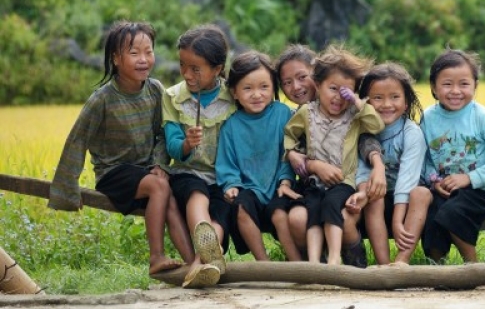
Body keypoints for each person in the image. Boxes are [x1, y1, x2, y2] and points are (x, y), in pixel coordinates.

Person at [48, 21, 193, 276]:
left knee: (166, 192)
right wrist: (66, 190)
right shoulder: (102, 99)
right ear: (115, 58)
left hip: (146, 171)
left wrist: (159, 164)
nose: (143, 59)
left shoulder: (155, 90)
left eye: (148, 52)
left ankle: (195, 265)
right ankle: (156, 258)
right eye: (134, 53)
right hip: (113, 174)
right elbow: (77, 140)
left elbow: (162, 133)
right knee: (160, 186)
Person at [283, 44, 384, 266]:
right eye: (333, 89)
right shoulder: (306, 113)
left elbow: (376, 125)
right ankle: (313, 262)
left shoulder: (353, 115)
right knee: (313, 210)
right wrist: (291, 153)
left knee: (330, 205)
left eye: (345, 92)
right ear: (317, 86)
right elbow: (289, 133)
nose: (339, 97)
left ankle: (336, 258)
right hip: (313, 182)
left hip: (342, 181)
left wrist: (357, 103)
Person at [420, 49, 485, 263]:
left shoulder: (481, 116)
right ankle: (436, 269)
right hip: (441, 190)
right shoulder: (428, 118)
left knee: (453, 212)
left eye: (463, 84)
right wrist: (435, 181)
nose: (455, 91)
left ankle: (472, 265)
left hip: (478, 193)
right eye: (447, 84)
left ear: (475, 86)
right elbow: (423, 159)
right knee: (432, 215)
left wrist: (469, 178)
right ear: (434, 87)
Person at [162, 24, 236, 287]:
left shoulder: (234, 96)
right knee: (197, 194)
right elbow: (172, 145)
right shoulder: (173, 97)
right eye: (183, 65)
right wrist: (185, 144)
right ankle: (204, 256)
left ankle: (199, 264)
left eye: (196, 68)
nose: (186, 74)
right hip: (188, 172)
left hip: (223, 177)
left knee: (221, 213)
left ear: (217, 69)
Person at [215, 51, 302, 261]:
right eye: (248, 88)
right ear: (234, 92)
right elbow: (226, 162)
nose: (257, 94)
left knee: (281, 216)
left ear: (274, 87)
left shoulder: (283, 114)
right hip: (249, 188)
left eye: (264, 87)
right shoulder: (231, 126)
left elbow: (289, 151)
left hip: (279, 186)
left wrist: (286, 181)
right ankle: (264, 264)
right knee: (241, 210)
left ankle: (298, 265)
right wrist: (231, 184)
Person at [355, 62, 431, 265]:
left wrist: (398, 220)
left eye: (395, 97)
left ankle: (401, 262)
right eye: (378, 98)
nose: (387, 104)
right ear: (366, 102)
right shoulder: (363, 131)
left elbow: (408, 180)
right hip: (377, 197)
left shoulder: (411, 133)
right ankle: (384, 265)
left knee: (421, 194)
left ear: (406, 102)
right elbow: (361, 170)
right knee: (374, 197)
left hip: (407, 199)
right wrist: (364, 191)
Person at [275, 44, 318, 257]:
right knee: (296, 219)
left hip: (346, 184)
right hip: (311, 188)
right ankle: (312, 263)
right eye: (287, 83)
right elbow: (290, 143)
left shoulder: (338, 108)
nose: (296, 87)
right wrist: (290, 152)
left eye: (302, 77)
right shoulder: (293, 117)